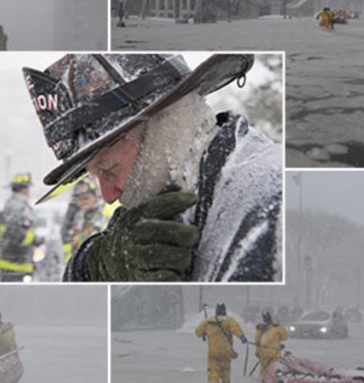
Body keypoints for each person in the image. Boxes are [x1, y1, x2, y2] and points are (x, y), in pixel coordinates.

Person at [22, 53, 281, 282]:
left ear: (166, 128)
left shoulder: (269, 205)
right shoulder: (160, 205)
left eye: (109, 168)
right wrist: (96, 266)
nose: (109, 195)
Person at [0, 173, 43, 282]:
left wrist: (34, 239)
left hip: (16, 262)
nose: (28, 191)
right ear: (22, 189)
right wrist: (33, 240)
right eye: (27, 187)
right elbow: (16, 234)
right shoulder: (16, 207)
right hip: (15, 264)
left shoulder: (16, 205)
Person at [194, 303, 247, 383]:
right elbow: (236, 329)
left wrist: (205, 332)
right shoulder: (229, 320)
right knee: (225, 370)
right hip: (226, 351)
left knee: (213, 372)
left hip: (213, 352)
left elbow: (198, 333)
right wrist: (242, 337)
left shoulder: (208, 321)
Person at [61, 176, 111, 263]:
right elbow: (75, 241)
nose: (82, 202)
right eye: (79, 199)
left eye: (86, 198)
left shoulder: (105, 212)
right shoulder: (79, 216)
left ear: (96, 196)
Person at [253, 311, 289, 379]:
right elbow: (285, 337)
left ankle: (263, 380)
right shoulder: (277, 328)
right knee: (274, 368)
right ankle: (273, 380)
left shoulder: (260, 328)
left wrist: (257, 350)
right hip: (274, 351)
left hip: (263, 351)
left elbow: (256, 341)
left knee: (263, 368)